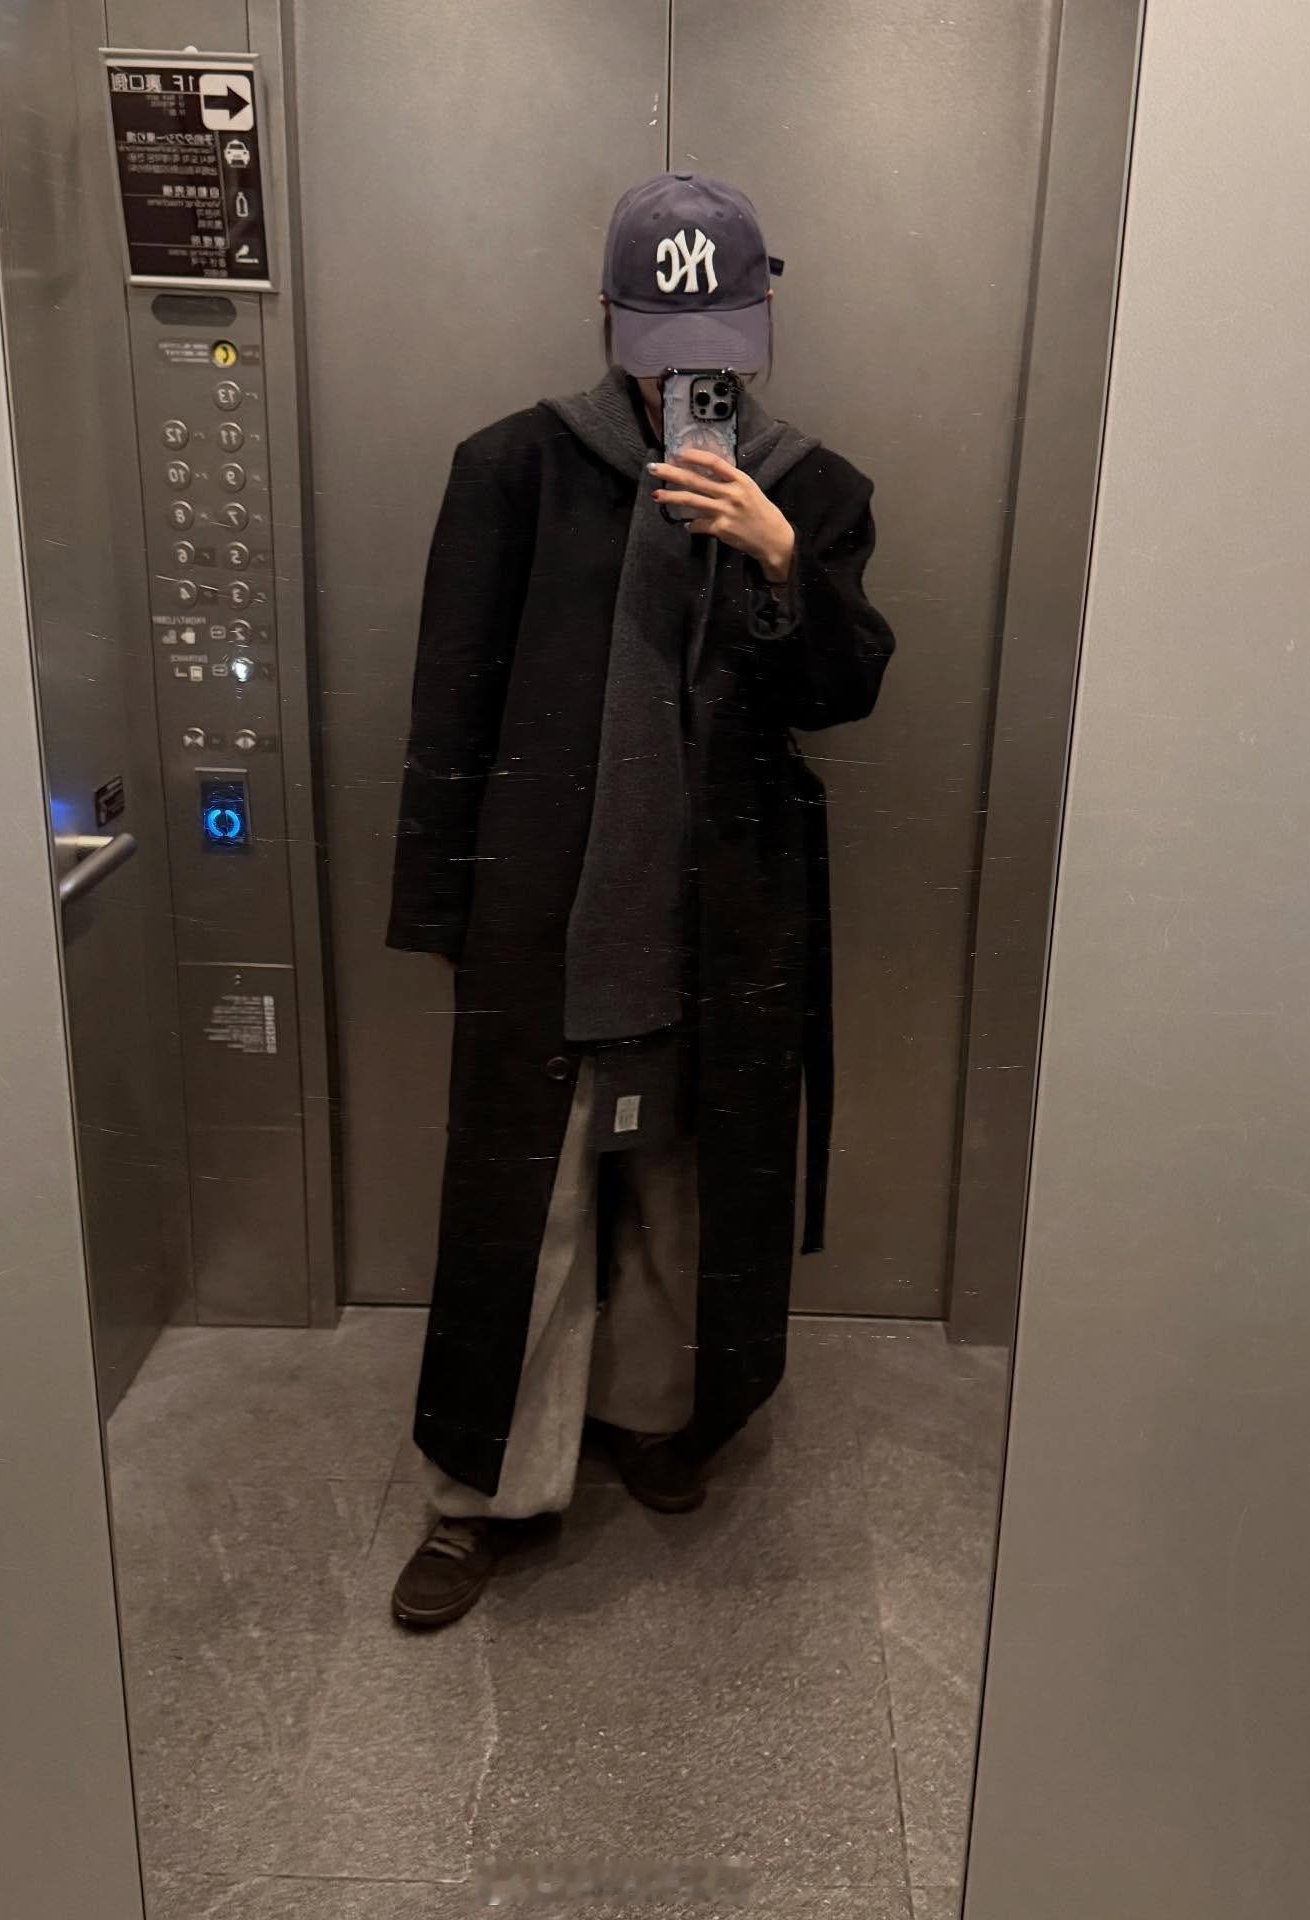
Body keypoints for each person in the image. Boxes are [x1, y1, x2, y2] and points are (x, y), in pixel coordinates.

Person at [386, 173, 895, 1628]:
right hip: (546, 904)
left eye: (717, 348)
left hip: (724, 913)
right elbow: (451, 700)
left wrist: (780, 559)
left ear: (765, 321)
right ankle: (484, 1491)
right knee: (530, 1197)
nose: (688, 380)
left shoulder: (813, 489)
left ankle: (661, 1418)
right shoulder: (512, 468)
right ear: (608, 319)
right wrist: (445, 913)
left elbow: (842, 694)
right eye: (663, 346)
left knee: (689, 1181)